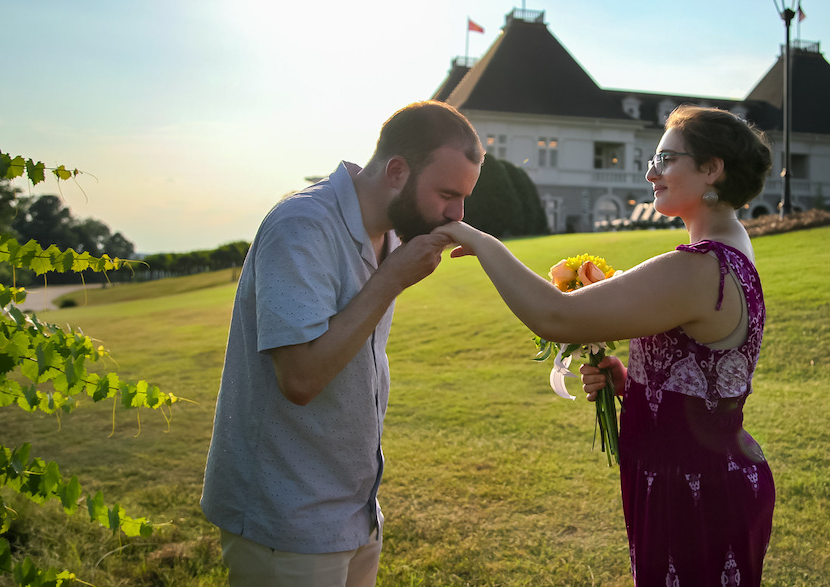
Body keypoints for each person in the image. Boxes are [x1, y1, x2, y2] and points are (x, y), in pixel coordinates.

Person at [434, 105, 775, 586]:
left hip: (693, 493)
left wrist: (481, 241)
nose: (650, 172)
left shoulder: (697, 268)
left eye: (665, 159)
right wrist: (634, 385)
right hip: (701, 478)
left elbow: (557, 316)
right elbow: (705, 378)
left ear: (711, 169)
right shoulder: (733, 249)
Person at [201, 100, 483, 587]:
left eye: (463, 198)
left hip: (356, 512)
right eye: (446, 194)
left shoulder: (390, 235)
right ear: (397, 171)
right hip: (287, 521)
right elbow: (300, 379)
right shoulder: (303, 226)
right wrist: (391, 279)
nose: (457, 213)